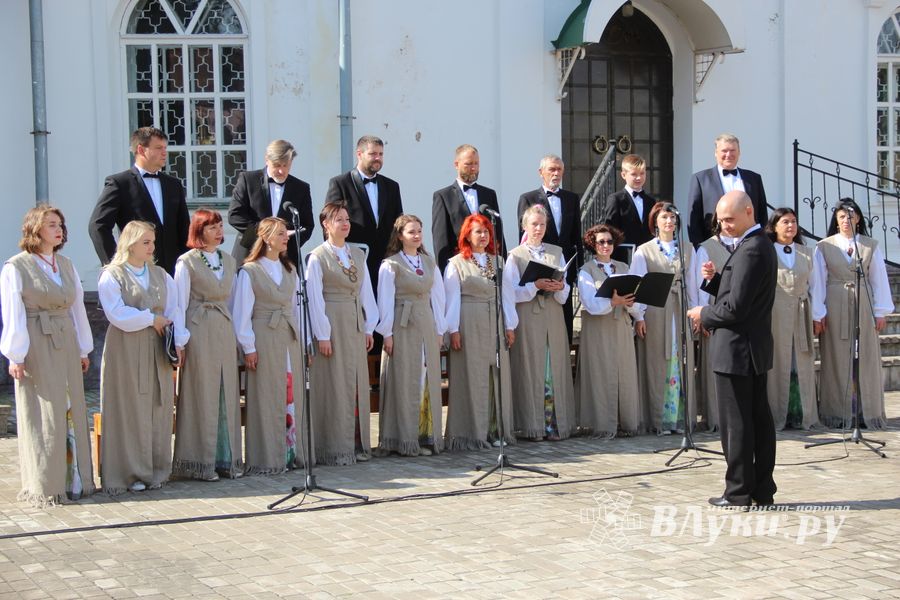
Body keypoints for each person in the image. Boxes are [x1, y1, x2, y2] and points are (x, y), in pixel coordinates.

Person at [687, 190, 777, 508]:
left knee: (737, 424)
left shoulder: (752, 248)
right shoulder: (754, 245)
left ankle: (738, 492)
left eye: (729, 219)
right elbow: (741, 294)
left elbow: (736, 309)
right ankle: (761, 490)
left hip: (738, 350)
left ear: (749, 212)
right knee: (756, 420)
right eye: (720, 220)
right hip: (749, 349)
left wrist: (702, 313)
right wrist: (714, 282)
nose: (724, 225)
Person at [0, 206, 94, 506]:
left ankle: (75, 480)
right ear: (35, 230)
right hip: (36, 341)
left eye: (61, 225)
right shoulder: (16, 267)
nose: (59, 230)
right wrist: (16, 355)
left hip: (65, 338)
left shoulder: (66, 264)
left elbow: (78, 308)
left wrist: (83, 347)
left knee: (70, 407)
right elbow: (12, 313)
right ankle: (45, 482)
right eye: (51, 224)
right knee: (43, 410)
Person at [98, 221, 186, 494]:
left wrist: (179, 341)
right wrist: (150, 318)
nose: (152, 247)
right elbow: (116, 313)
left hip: (156, 347)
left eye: (153, 241)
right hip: (126, 347)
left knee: (158, 406)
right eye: (145, 242)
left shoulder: (160, 275)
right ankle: (129, 472)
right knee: (131, 407)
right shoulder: (112, 275)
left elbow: (175, 309)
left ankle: (156, 468)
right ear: (130, 244)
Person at [172, 209, 243, 481]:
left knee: (225, 390)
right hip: (198, 327)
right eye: (212, 226)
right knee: (203, 391)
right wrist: (180, 339)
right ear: (199, 230)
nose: (218, 231)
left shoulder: (228, 260)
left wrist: (238, 337)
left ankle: (226, 458)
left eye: (220, 226)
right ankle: (200, 461)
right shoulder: (187, 262)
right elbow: (179, 303)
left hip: (223, 328)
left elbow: (234, 300)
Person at [233, 217, 306, 474]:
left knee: (289, 392)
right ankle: (267, 455)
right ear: (265, 237)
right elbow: (242, 313)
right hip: (264, 334)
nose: (286, 237)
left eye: (286, 233)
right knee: (266, 395)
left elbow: (296, 308)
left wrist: (302, 342)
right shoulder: (250, 271)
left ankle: (290, 451)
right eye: (280, 234)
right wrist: (248, 347)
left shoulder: (290, 269)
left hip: (288, 336)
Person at [307, 201, 378, 465]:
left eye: (347, 219)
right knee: (335, 384)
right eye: (339, 219)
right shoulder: (317, 257)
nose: (345, 223)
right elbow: (314, 298)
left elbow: (365, 291)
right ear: (326, 224)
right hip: (332, 322)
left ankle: (356, 444)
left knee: (356, 382)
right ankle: (333, 446)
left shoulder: (357, 254)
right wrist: (322, 334)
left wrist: (369, 325)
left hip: (354, 322)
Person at [811, 199, 893, 430]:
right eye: (842, 217)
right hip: (836, 302)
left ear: (858, 218)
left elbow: (878, 279)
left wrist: (881, 310)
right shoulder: (824, 246)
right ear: (836, 221)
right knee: (837, 355)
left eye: (851, 216)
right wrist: (818, 312)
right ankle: (838, 411)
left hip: (863, 302)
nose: (847, 221)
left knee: (865, 356)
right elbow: (817, 282)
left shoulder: (869, 245)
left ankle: (866, 411)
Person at [374, 215, 447, 457]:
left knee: (425, 376)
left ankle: (426, 434)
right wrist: (387, 334)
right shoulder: (390, 265)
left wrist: (439, 330)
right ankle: (403, 438)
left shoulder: (429, 262)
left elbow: (438, 298)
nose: (416, 236)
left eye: (419, 231)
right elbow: (384, 301)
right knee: (405, 378)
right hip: (402, 324)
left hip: (425, 321)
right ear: (399, 236)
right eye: (411, 232)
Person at [443, 214, 518, 450]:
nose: (483, 236)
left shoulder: (498, 261)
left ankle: (497, 430)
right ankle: (470, 432)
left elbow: (507, 295)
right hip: (469, 318)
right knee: (472, 374)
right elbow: (452, 299)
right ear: (467, 234)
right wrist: (453, 329)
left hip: (494, 319)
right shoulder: (456, 263)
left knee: (497, 374)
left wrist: (509, 325)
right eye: (478, 231)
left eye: (486, 231)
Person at [504, 204, 575, 441]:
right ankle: (531, 425)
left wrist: (559, 286)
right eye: (534, 224)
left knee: (553, 366)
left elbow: (565, 292)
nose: (538, 229)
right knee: (531, 367)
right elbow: (511, 292)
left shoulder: (556, 251)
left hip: (552, 313)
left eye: (542, 224)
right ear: (525, 226)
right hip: (529, 315)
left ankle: (555, 424)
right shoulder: (515, 255)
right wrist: (535, 285)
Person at [631, 202, 698, 435]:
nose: (669, 222)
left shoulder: (687, 248)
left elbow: (693, 283)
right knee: (657, 360)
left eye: (672, 218)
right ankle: (658, 419)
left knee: (680, 360)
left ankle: (678, 418)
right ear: (655, 222)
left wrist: (695, 312)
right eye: (664, 218)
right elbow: (637, 284)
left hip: (680, 308)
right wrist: (638, 315)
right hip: (656, 309)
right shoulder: (644, 250)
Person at [89, 126, 190, 275]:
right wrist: (115, 264)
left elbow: (184, 228)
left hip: (172, 271)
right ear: (141, 150)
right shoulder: (120, 183)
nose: (164, 153)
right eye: (158, 148)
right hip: (136, 271)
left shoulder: (174, 184)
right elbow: (98, 225)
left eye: (165, 148)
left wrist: (187, 266)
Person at [575, 223, 640, 438]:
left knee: (624, 372)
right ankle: (603, 424)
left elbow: (635, 301)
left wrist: (631, 306)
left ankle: (625, 421)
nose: (605, 245)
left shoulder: (623, 267)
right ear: (592, 244)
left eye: (609, 241)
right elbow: (590, 303)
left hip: (620, 325)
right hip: (599, 327)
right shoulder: (586, 270)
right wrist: (613, 302)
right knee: (601, 373)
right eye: (601, 242)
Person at [764, 208, 819, 430]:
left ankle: (801, 414)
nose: (790, 226)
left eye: (794, 222)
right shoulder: (766, 251)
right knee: (778, 360)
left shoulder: (807, 252)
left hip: (800, 311)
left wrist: (817, 315)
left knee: (801, 360)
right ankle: (778, 414)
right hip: (775, 314)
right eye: (785, 222)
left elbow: (815, 286)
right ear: (774, 225)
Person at [325, 135, 403, 292]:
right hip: (353, 259)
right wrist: (335, 257)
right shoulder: (340, 183)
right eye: (373, 154)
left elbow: (398, 223)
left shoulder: (391, 186)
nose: (378, 158)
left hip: (385, 262)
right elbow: (330, 223)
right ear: (359, 154)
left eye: (381, 154)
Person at [517, 154, 582, 342]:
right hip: (539, 264)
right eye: (551, 169)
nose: (556, 173)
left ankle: (564, 351)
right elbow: (524, 235)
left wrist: (577, 268)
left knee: (565, 315)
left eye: (559, 169)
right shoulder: (528, 198)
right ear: (541, 172)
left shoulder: (571, 198)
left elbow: (576, 235)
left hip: (565, 266)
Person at [227, 139, 314, 268]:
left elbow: (307, 225)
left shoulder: (301, 188)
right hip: (250, 253)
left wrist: (285, 240)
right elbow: (235, 216)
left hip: (285, 259)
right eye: (277, 165)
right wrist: (267, 233)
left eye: (286, 165)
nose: (282, 171)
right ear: (267, 160)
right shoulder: (248, 180)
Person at [432, 144, 506, 273]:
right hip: (460, 266)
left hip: (488, 263)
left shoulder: (489, 194)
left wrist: (502, 264)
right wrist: (444, 272)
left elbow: (497, 232)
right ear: (456, 164)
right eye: (468, 164)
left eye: (476, 164)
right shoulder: (443, 196)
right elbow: (440, 239)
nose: (473, 168)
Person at [688, 133, 768, 246]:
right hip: (714, 244)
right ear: (716, 153)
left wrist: (761, 241)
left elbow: (762, 214)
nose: (728, 154)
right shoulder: (700, 179)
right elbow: (694, 218)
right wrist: (698, 247)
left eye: (733, 150)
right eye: (724, 151)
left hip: (749, 244)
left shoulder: (754, 179)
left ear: (739, 152)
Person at [693, 218, 733, 432]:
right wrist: (704, 315)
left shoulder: (745, 243)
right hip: (715, 312)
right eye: (724, 220)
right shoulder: (707, 248)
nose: (728, 224)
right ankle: (716, 416)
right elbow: (701, 284)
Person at [600, 153, 658, 262]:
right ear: (623, 175)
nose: (639, 177)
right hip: (624, 256)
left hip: (648, 256)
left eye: (642, 173)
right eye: (634, 174)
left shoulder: (651, 201)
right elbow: (610, 229)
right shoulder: (616, 199)